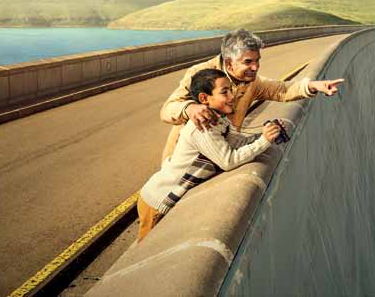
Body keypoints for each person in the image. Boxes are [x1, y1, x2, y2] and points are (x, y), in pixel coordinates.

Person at [138, 69, 285, 242]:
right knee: (145, 252)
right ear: (204, 99)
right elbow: (228, 161)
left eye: (231, 90)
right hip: (158, 200)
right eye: (225, 92)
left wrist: (265, 134)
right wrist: (264, 141)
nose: (232, 96)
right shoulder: (202, 126)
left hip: (166, 194)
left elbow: (236, 143)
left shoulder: (218, 118)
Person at [159, 29, 344, 160]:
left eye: (257, 61)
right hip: (182, 163)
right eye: (248, 62)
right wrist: (190, 107)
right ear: (229, 64)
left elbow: (281, 90)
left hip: (220, 154)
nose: (255, 68)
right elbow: (168, 109)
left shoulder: (252, 82)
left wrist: (314, 85)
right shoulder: (199, 74)